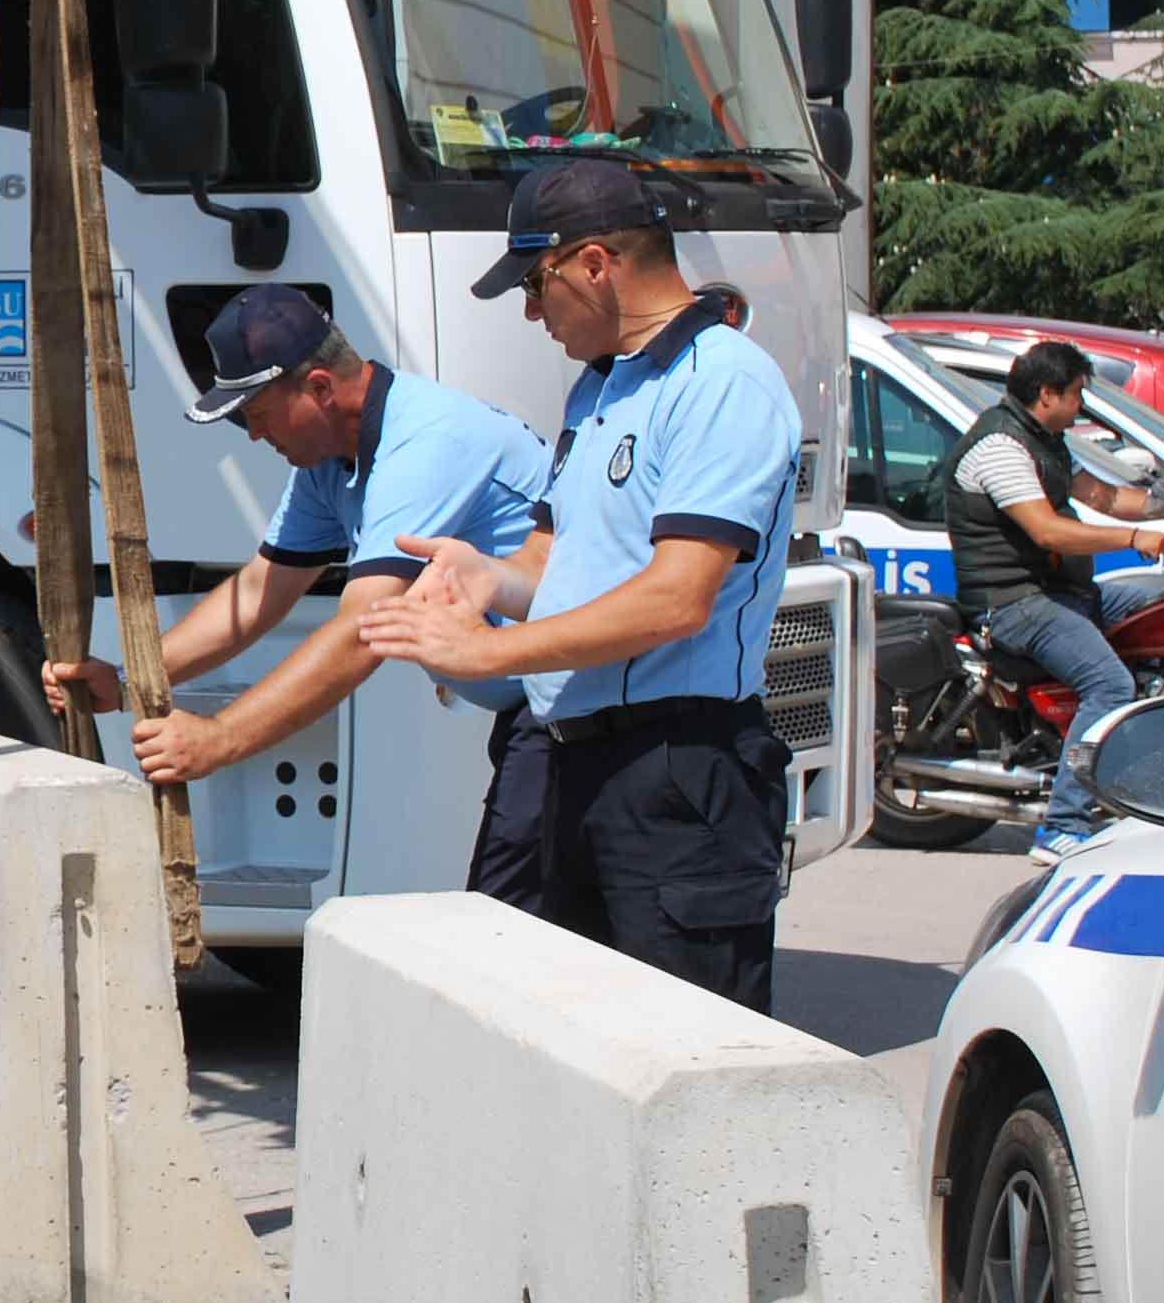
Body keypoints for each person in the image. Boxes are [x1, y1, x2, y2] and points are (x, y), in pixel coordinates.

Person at [355, 163, 803, 1009]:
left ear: (595, 263)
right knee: (577, 1053)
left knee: (683, 1058)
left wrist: (489, 647)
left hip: (678, 768)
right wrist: (479, 576)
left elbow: (678, 598)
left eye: (535, 283)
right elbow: (556, 564)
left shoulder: (722, 382)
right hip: (582, 762)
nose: (532, 313)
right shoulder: (602, 385)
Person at [39, 283, 554, 906]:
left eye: (256, 415)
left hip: (577, 710)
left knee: (515, 939)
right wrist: (127, 682)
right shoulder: (328, 458)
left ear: (318, 388)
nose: (254, 437)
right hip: (540, 713)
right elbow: (259, 593)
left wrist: (220, 739)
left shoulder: (427, 443)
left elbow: (364, 630)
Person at [944, 337, 1164, 864]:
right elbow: (1048, 532)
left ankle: (1154, 784)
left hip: (1066, 593)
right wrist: (1133, 540)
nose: (1083, 406)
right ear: (1046, 394)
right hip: (1014, 604)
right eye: (1077, 394)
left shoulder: (1045, 439)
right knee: (1108, 683)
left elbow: (1105, 498)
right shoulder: (1000, 448)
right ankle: (1062, 825)